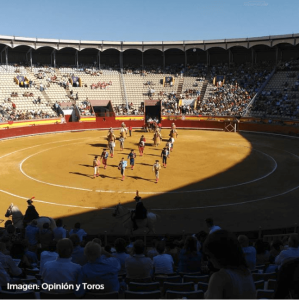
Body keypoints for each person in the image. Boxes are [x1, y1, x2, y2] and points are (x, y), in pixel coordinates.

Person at [203, 230, 256, 299]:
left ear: (218, 255)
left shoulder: (219, 277)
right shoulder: (247, 273)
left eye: (209, 256)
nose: (208, 259)